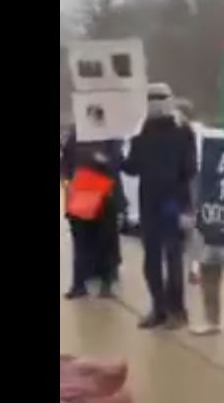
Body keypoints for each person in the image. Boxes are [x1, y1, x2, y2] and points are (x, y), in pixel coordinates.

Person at [122, 83, 197, 329]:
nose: (156, 102)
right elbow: (133, 167)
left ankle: (178, 310)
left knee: (173, 256)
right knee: (152, 258)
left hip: (173, 200)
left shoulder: (183, 131)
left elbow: (190, 169)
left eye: (161, 97)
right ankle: (159, 307)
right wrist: (117, 159)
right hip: (150, 201)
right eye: (151, 98)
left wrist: (187, 206)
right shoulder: (142, 131)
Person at [61, 127, 124, 299]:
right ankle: (79, 283)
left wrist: (105, 160)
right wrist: (66, 179)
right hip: (82, 188)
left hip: (104, 190)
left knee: (105, 239)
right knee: (81, 239)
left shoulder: (110, 135)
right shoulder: (76, 135)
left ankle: (107, 283)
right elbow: (65, 161)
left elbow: (119, 162)